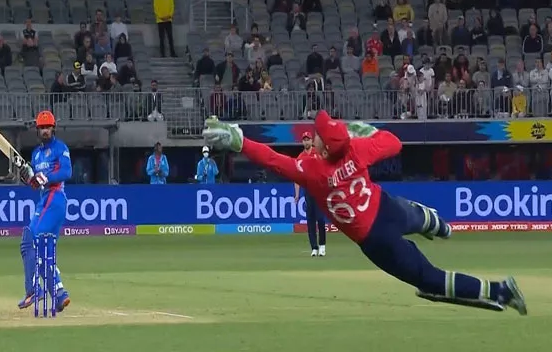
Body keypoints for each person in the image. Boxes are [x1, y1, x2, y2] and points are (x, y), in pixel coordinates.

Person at [202, 111, 528, 315]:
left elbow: (272, 159)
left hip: (376, 238)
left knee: (429, 282)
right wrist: (366, 130)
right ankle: (435, 224)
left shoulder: (311, 169)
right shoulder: (357, 149)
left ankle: (500, 291)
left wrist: (239, 141)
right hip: (387, 206)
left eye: (315, 133)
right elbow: (394, 143)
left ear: (323, 147)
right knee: (414, 217)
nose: (312, 135)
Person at [17, 111, 72, 313]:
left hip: (55, 198)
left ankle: (33, 290)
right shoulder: (35, 154)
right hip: (44, 199)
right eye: (42, 127)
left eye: (48, 127)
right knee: (39, 249)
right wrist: (30, 179)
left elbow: (67, 172)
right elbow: (36, 183)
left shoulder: (60, 148)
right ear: (37, 130)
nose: (45, 130)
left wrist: (44, 177)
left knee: (29, 241)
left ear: (53, 128)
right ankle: (59, 295)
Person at [294, 132, 326, 257]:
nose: (306, 142)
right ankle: (314, 247)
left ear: (312, 141)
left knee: (321, 219)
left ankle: (322, 246)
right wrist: (297, 194)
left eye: (308, 140)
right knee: (310, 220)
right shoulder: (300, 157)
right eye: (304, 140)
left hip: (319, 190)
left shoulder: (317, 153)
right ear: (302, 142)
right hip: (307, 191)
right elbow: (296, 176)